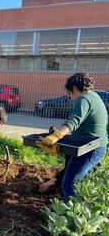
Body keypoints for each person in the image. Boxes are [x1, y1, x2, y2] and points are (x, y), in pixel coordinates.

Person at [37, 72, 108, 202]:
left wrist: (57, 135)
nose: (70, 98)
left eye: (70, 94)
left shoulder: (84, 98)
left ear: (74, 88)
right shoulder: (94, 96)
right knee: (71, 179)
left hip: (91, 149)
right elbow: (84, 127)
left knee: (69, 185)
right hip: (90, 145)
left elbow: (74, 121)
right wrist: (62, 138)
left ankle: (74, 217)